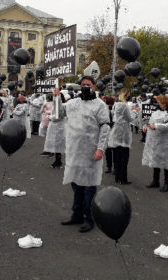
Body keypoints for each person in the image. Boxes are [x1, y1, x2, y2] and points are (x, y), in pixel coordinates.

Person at [53, 76, 110, 233]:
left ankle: (89, 218)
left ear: (94, 87)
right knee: (76, 184)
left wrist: (100, 148)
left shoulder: (100, 105)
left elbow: (105, 127)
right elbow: (58, 115)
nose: (86, 87)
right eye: (83, 84)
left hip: (91, 153)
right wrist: (57, 97)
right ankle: (76, 215)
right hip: (74, 151)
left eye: (89, 85)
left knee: (89, 187)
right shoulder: (72, 103)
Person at [142, 94, 168, 192]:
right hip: (155, 141)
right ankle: (155, 181)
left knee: (166, 162)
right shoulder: (157, 111)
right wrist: (147, 126)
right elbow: (151, 122)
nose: (158, 104)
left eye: (160, 102)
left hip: (165, 142)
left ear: (165, 103)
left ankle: (167, 184)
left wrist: (157, 126)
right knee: (155, 161)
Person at [108, 88, 134, 184]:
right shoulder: (124, 105)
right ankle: (123, 178)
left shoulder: (116, 104)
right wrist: (135, 112)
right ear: (126, 95)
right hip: (123, 132)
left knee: (116, 156)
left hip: (116, 130)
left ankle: (117, 177)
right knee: (124, 157)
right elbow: (129, 118)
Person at [44, 94, 67, 169]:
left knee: (58, 145)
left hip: (58, 127)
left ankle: (58, 162)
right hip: (55, 127)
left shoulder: (62, 105)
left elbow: (59, 116)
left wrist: (50, 117)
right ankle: (57, 161)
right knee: (56, 145)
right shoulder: (57, 105)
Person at [102, 96, 115, 173]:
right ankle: (109, 167)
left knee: (112, 151)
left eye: (104, 100)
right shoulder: (105, 109)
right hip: (107, 131)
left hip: (112, 131)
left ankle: (113, 167)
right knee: (108, 151)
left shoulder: (113, 109)